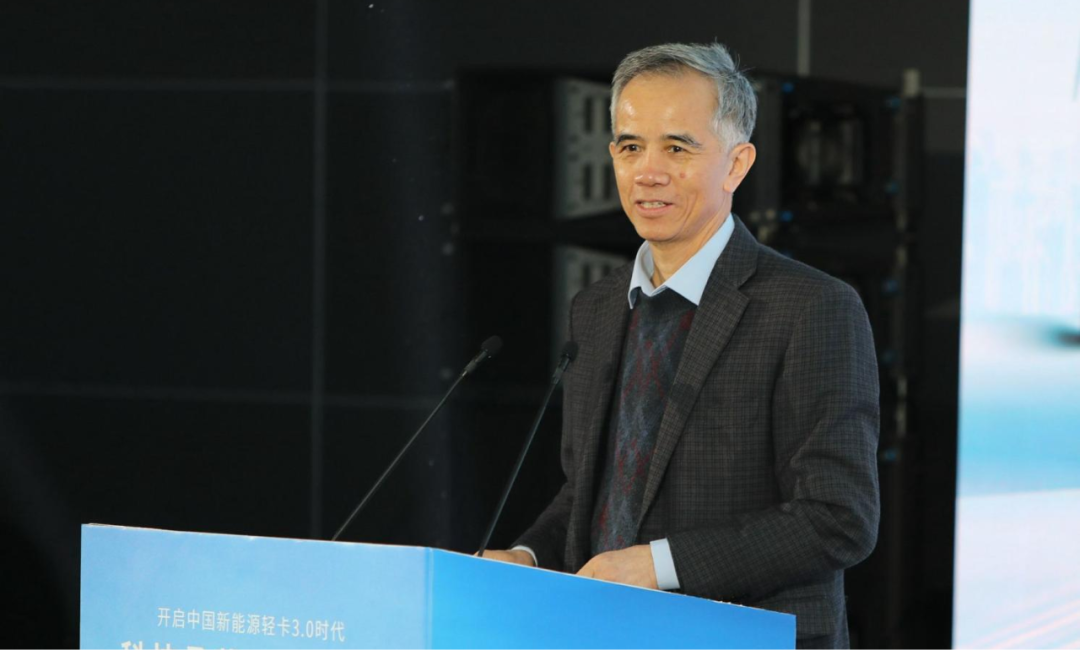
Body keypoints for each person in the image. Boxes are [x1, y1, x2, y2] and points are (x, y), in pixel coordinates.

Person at [483, 42, 880, 650]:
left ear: (737, 165)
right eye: (630, 147)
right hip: (604, 635)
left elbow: (838, 517)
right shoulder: (595, 308)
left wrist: (660, 565)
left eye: (677, 148)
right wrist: (529, 556)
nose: (648, 172)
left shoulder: (811, 307)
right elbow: (592, 490)